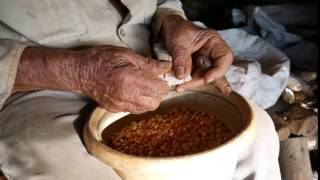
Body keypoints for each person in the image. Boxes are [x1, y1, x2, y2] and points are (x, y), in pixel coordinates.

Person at [0, 0, 281, 179]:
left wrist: (171, 20)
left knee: (258, 134)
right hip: (33, 80)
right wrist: (79, 72)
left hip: (145, 55)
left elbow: (158, 3)